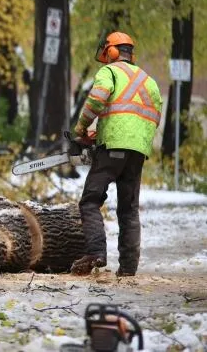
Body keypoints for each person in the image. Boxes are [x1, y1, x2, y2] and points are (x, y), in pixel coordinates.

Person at [70, 32, 162, 277]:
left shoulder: (108, 73)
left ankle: (97, 253)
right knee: (129, 209)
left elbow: (96, 100)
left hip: (112, 147)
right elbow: (154, 117)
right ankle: (129, 268)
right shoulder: (149, 81)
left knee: (90, 200)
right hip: (138, 152)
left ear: (110, 52)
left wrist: (81, 129)